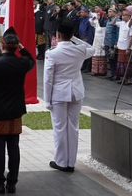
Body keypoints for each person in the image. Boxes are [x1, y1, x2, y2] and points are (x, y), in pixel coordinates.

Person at [0, 31, 34, 194]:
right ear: (16, 47)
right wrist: (22, 48)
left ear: (2, 45)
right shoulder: (22, 63)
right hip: (15, 111)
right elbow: (31, 60)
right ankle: (12, 182)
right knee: (13, 147)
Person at [43, 23, 95, 173]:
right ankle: (71, 162)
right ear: (71, 35)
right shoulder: (80, 50)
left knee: (59, 128)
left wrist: (47, 100)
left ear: (58, 35)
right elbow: (92, 48)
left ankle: (61, 162)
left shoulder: (52, 53)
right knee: (73, 127)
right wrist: (74, 39)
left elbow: (48, 79)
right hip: (76, 92)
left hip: (59, 93)